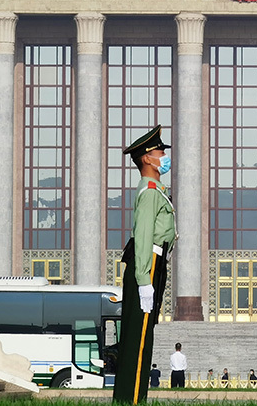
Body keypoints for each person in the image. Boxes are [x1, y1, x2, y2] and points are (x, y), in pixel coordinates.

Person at [112, 125, 177, 404]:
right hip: (147, 264)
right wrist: (143, 280)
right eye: (159, 152)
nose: (164, 156)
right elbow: (143, 236)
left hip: (153, 263)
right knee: (138, 341)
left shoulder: (156, 190)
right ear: (147, 159)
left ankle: (133, 397)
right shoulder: (150, 191)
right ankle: (131, 400)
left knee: (142, 337)